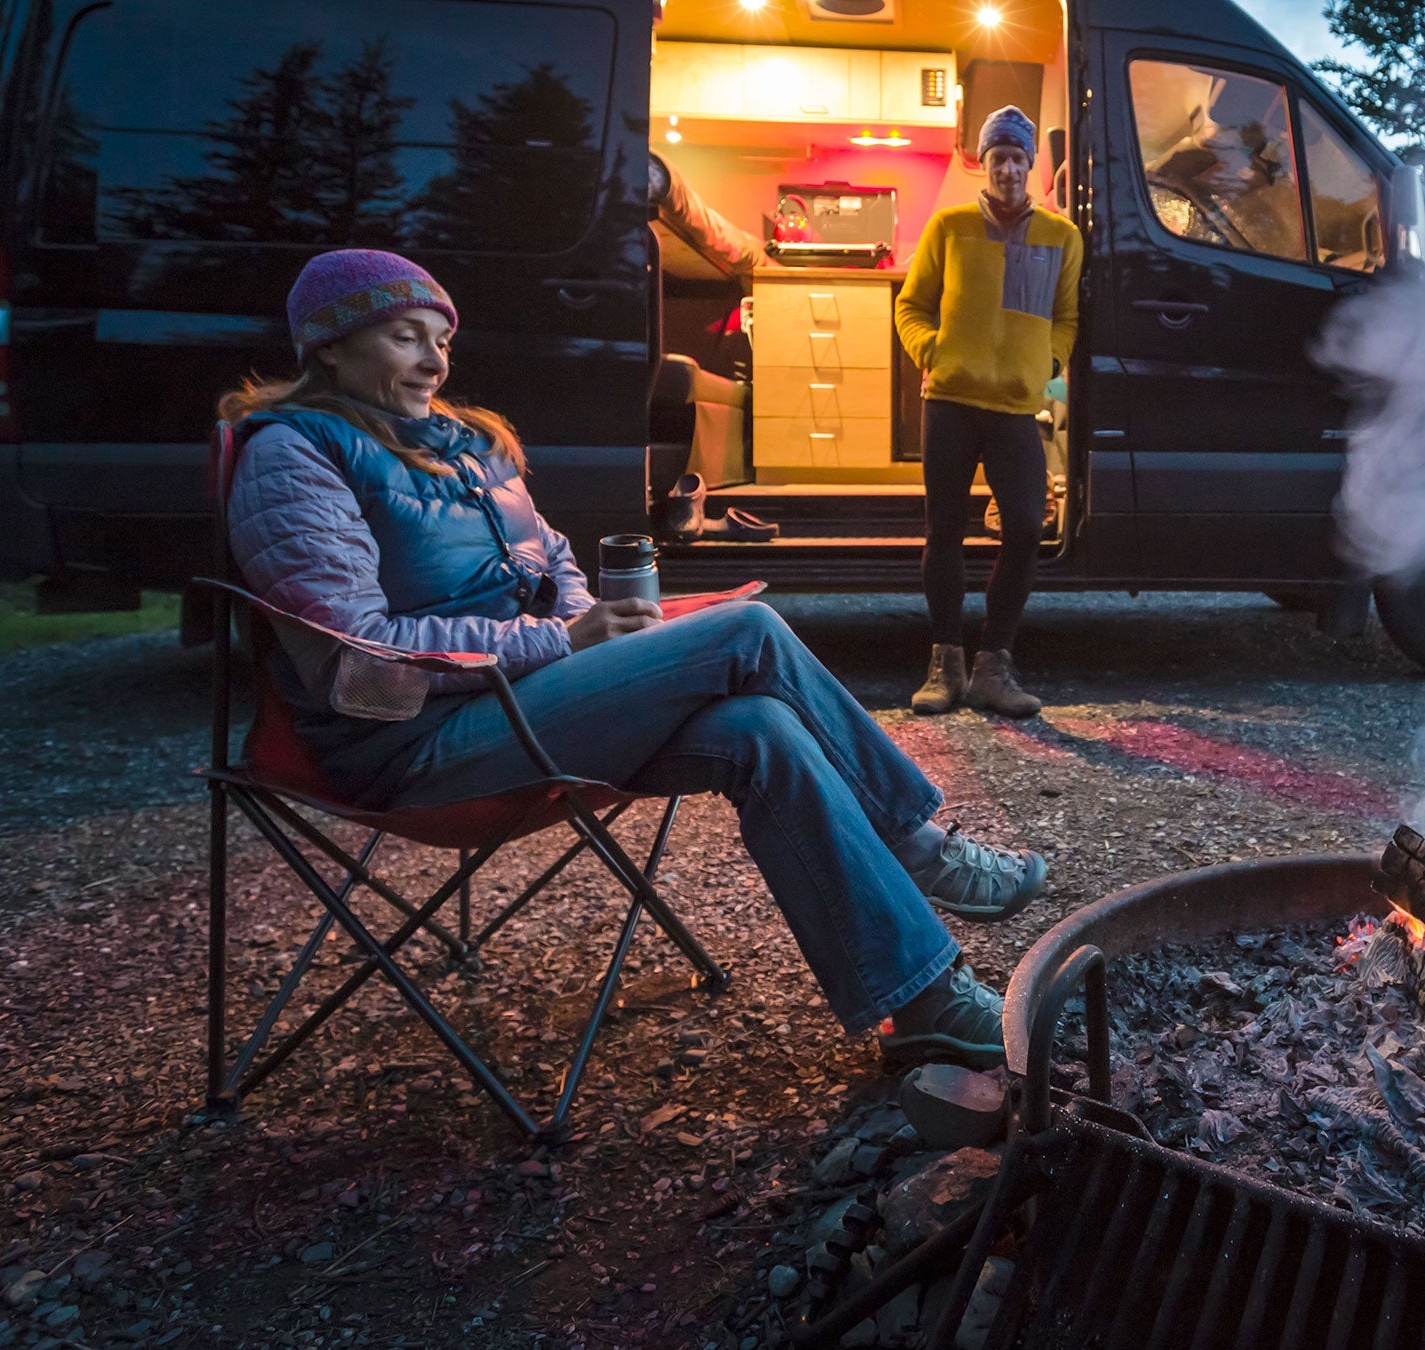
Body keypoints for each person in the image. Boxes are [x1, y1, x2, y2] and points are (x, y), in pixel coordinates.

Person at [220, 248, 1046, 1069]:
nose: (434, 361)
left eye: (442, 340)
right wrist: (561, 642)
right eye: (405, 337)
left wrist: (591, 627)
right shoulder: (294, 453)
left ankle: (924, 1003)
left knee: (760, 727)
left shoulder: (469, 444)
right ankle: (919, 847)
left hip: (528, 704)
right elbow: (352, 654)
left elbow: (556, 561)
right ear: (328, 346)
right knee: (747, 631)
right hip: (411, 742)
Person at [894, 105, 1082, 719]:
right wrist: (933, 351)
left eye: (1017, 159)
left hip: (1014, 408)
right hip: (949, 401)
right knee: (944, 530)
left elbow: (1066, 318)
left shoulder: (1062, 236)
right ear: (984, 162)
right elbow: (911, 305)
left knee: (1026, 527)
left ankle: (993, 666)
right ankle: (944, 663)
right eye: (997, 157)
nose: (1007, 169)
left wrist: (1049, 365)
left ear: (1030, 165)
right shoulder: (948, 226)